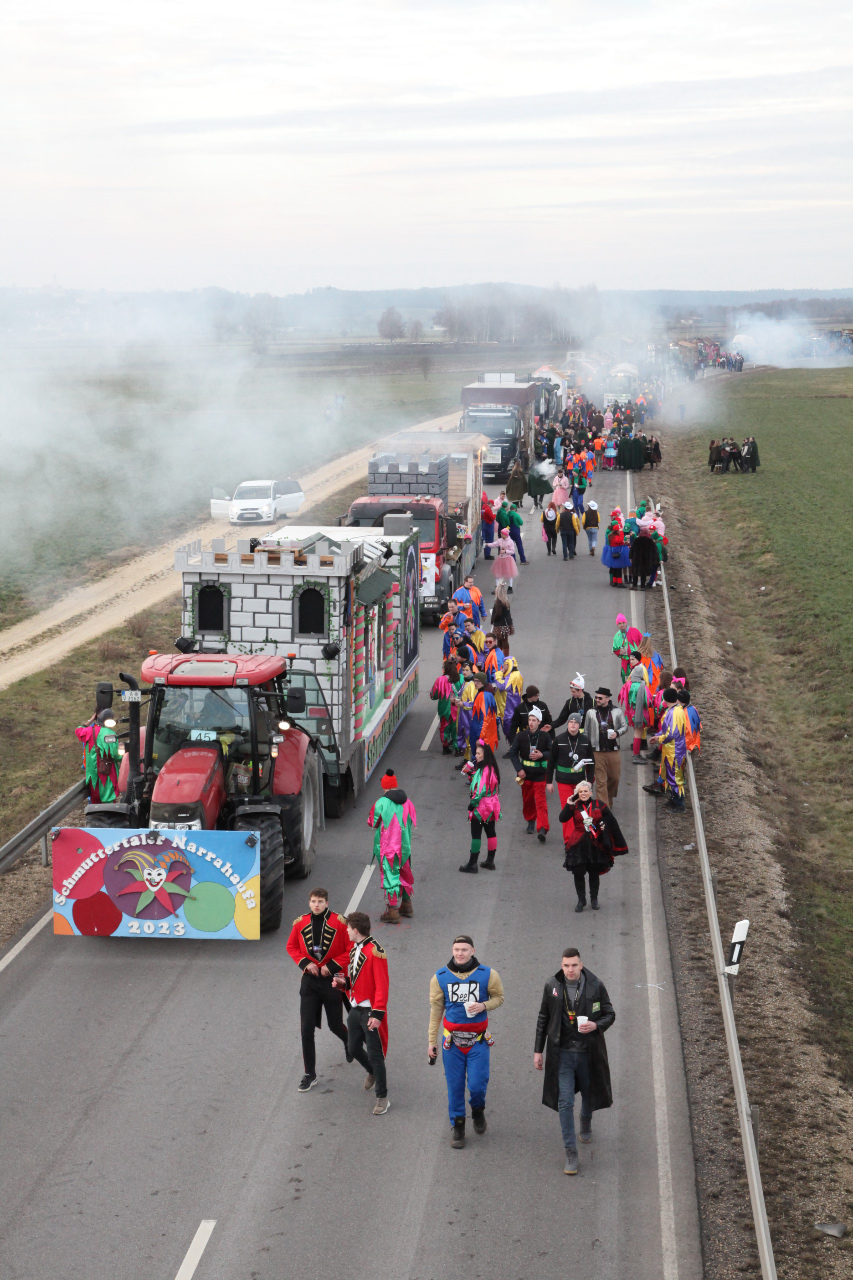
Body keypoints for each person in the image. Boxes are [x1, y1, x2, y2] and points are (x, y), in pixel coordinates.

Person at [534, 947, 615, 1174]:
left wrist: (596, 1025)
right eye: (566, 966)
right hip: (562, 1055)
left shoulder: (595, 985)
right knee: (565, 1102)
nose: (570, 970)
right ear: (562, 966)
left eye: (574, 965)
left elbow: (610, 1013)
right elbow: (543, 1018)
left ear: (581, 965)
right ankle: (570, 1152)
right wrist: (538, 1050)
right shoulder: (552, 986)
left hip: (589, 1054)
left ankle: (586, 1120)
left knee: (589, 1095)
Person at [428, 934, 505, 1148]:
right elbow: (436, 1011)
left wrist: (483, 1006)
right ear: (452, 951)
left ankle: (478, 1110)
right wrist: (431, 1041)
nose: (460, 953)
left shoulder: (488, 974)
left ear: (473, 951)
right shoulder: (440, 977)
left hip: (478, 1042)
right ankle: (459, 1126)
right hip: (452, 1043)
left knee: (477, 1085)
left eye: (464, 949)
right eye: (457, 949)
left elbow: (499, 998)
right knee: (455, 1086)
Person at [286, 888, 352, 1092]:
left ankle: (349, 1041)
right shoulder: (300, 923)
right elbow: (291, 947)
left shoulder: (340, 923)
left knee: (335, 1025)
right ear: (309, 903)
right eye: (314, 901)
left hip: (331, 980)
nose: (317, 905)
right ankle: (310, 1074)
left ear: (327, 903)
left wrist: (330, 966)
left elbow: (351, 949)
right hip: (309, 982)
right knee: (306, 1029)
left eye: (320, 901)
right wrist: (306, 963)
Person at [333, 913, 390, 1114]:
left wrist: (377, 1014)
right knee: (353, 1048)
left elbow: (382, 986)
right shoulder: (355, 949)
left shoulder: (375, 952)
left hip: (370, 1011)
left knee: (375, 1055)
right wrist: (344, 984)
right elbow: (357, 979)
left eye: (348, 928)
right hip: (355, 1009)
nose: (347, 931)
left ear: (355, 930)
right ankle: (372, 1072)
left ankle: (382, 1098)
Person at [559, 779, 629, 911]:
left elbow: (611, 822)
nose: (583, 793)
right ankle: (581, 900)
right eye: (580, 792)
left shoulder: (600, 805)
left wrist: (603, 827)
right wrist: (568, 804)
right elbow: (562, 818)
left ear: (590, 792)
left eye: (585, 791)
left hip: (595, 844)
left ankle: (594, 899)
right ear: (577, 793)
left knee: (594, 873)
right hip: (578, 844)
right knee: (578, 873)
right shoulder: (574, 806)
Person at [367, 770, 417, 923]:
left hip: (388, 848)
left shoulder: (381, 803)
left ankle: (393, 911)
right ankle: (407, 905)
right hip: (405, 847)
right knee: (405, 873)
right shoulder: (408, 802)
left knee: (390, 876)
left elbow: (372, 822)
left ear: (385, 788)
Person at [547, 713, 594, 843]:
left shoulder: (585, 741)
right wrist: (549, 782)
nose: (573, 724)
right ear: (567, 724)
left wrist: (590, 782)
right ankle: (569, 840)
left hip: (580, 782)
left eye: (576, 722)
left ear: (579, 725)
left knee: (581, 809)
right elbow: (551, 762)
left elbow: (591, 763)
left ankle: (582, 837)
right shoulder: (559, 740)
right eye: (571, 722)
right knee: (568, 808)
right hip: (563, 780)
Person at [509, 706, 552, 842]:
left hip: (540, 774)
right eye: (530, 720)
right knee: (528, 800)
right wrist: (519, 769)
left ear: (539, 722)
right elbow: (513, 753)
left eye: (534, 720)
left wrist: (542, 755)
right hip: (525, 774)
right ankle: (530, 821)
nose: (531, 723)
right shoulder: (521, 736)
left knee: (540, 801)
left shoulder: (545, 736)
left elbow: (552, 752)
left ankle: (543, 829)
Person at [459, 741, 501, 872]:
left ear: (485, 755)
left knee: (476, 835)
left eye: (478, 753)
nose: (476, 756)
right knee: (491, 832)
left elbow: (480, 790)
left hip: (481, 807)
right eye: (476, 753)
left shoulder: (485, 770)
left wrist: (472, 804)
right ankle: (490, 861)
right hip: (492, 805)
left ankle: (472, 864)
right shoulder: (491, 768)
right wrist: (471, 773)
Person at [587, 686, 628, 807]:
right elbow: (586, 731)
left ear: (607, 698)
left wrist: (617, 733)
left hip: (613, 750)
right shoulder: (591, 712)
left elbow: (625, 726)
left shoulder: (617, 711)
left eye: (600, 698)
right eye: (596, 698)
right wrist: (586, 748)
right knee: (601, 781)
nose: (597, 700)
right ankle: (603, 807)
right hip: (597, 751)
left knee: (614, 778)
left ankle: (608, 797)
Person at [75, 708, 121, 803]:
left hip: (92, 776)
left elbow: (78, 730)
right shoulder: (111, 735)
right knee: (109, 802)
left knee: (95, 802)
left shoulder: (89, 731)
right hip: (107, 774)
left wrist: (91, 720)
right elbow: (117, 756)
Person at [430, 660, 459, 754]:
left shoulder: (440, 680)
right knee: (456, 728)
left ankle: (445, 747)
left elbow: (433, 695)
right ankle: (457, 748)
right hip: (457, 708)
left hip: (444, 708)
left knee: (444, 727)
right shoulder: (460, 679)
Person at [485, 528, 518, 593]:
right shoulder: (500, 540)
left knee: (509, 574)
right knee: (498, 574)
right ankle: (497, 588)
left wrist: (505, 551)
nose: (501, 534)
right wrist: (487, 544)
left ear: (505, 534)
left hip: (507, 559)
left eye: (502, 533)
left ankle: (510, 587)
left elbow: (512, 551)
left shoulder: (510, 541)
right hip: (500, 559)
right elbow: (494, 544)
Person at [490, 583, 513, 653]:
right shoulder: (506, 600)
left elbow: (498, 613)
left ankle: (502, 656)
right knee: (503, 640)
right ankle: (502, 655)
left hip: (500, 624)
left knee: (501, 641)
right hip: (507, 623)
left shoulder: (498, 602)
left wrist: (493, 620)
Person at [481, 493, 496, 560]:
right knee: (489, 540)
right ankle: (487, 554)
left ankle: (486, 553)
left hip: (485, 524)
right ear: (490, 504)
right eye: (492, 505)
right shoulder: (488, 509)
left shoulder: (484, 508)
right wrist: (495, 515)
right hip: (489, 526)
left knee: (486, 540)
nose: (492, 506)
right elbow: (492, 517)